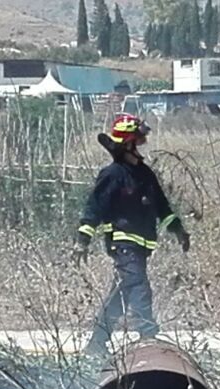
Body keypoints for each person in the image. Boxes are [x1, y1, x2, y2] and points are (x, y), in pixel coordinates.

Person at [73, 113, 190, 355]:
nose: (140, 147)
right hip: (122, 242)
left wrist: (178, 229)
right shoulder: (113, 174)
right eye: (137, 142)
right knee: (139, 286)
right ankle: (148, 335)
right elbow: (94, 208)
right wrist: (82, 241)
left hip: (141, 246)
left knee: (121, 295)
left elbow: (162, 206)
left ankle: (96, 344)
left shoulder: (145, 174)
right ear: (127, 144)